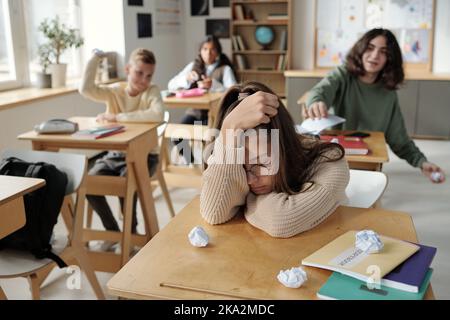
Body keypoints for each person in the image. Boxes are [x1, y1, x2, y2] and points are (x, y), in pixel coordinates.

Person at [200, 82, 349, 238]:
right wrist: (229, 128)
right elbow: (214, 213)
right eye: (239, 167)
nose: (249, 181)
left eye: (261, 163)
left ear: (284, 146)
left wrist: (244, 197)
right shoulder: (223, 153)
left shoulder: (330, 160)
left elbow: (281, 220)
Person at [302, 28, 446, 184]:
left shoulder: (388, 93)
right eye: (370, 48)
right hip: (338, 154)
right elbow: (321, 90)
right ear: (361, 49)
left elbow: (399, 139)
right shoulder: (344, 74)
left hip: (369, 158)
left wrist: (422, 162)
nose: (375, 55)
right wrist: (316, 101)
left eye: (383, 52)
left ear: (389, 59)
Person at [79, 48, 164, 251]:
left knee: (128, 181)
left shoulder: (152, 92)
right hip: (116, 154)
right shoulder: (115, 90)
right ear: (127, 69)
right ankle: (114, 233)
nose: (144, 79)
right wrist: (96, 59)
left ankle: (131, 235)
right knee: (89, 182)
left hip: (146, 157)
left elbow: (157, 115)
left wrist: (117, 117)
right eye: (139, 73)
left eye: (149, 75)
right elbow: (85, 89)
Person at [168, 35, 237, 164]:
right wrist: (186, 79)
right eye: (205, 49)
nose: (208, 53)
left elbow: (233, 91)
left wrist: (214, 85)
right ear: (200, 51)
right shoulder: (193, 66)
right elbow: (171, 85)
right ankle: (191, 162)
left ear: (218, 52)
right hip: (194, 112)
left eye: (212, 49)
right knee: (176, 135)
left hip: (215, 115)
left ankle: (210, 166)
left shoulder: (225, 69)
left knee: (211, 137)